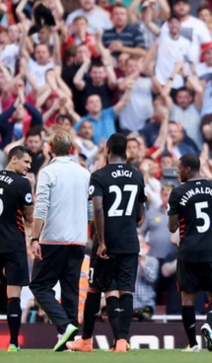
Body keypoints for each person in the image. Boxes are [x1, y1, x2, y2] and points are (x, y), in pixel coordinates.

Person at [68, 133, 146, 353]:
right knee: (126, 291)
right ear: (126, 152)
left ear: (107, 150)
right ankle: (122, 340)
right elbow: (140, 213)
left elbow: (99, 209)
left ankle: (85, 340)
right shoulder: (137, 175)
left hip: (107, 240)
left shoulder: (99, 175)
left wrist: (101, 241)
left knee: (95, 288)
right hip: (130, 240)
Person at [29, 131, 91, 352]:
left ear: (50, 149)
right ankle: (69, 340)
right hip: (77, 240)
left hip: (52, 239)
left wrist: (35, 237)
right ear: (72, 149)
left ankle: (65, 328)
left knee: (39, 285)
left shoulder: (48, 172)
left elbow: (41, 206)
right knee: (70, 290)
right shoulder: (85, 173)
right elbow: (91, 209)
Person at [167, 153, 212, 352]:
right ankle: (209, 324)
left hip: (187, 250)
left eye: (178, 168)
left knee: (187, 297)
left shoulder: (177, 192)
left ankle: (192, 344)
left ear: (187, 169)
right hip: (210, 248)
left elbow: (172, 227)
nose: (176, 171)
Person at [0, 146, 34, 352]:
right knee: (14, 294)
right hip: (13, 244)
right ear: (14, 160)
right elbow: (29, 216)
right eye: (26, 162)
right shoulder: (22, 182)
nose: (29, 166)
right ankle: (13, 343)